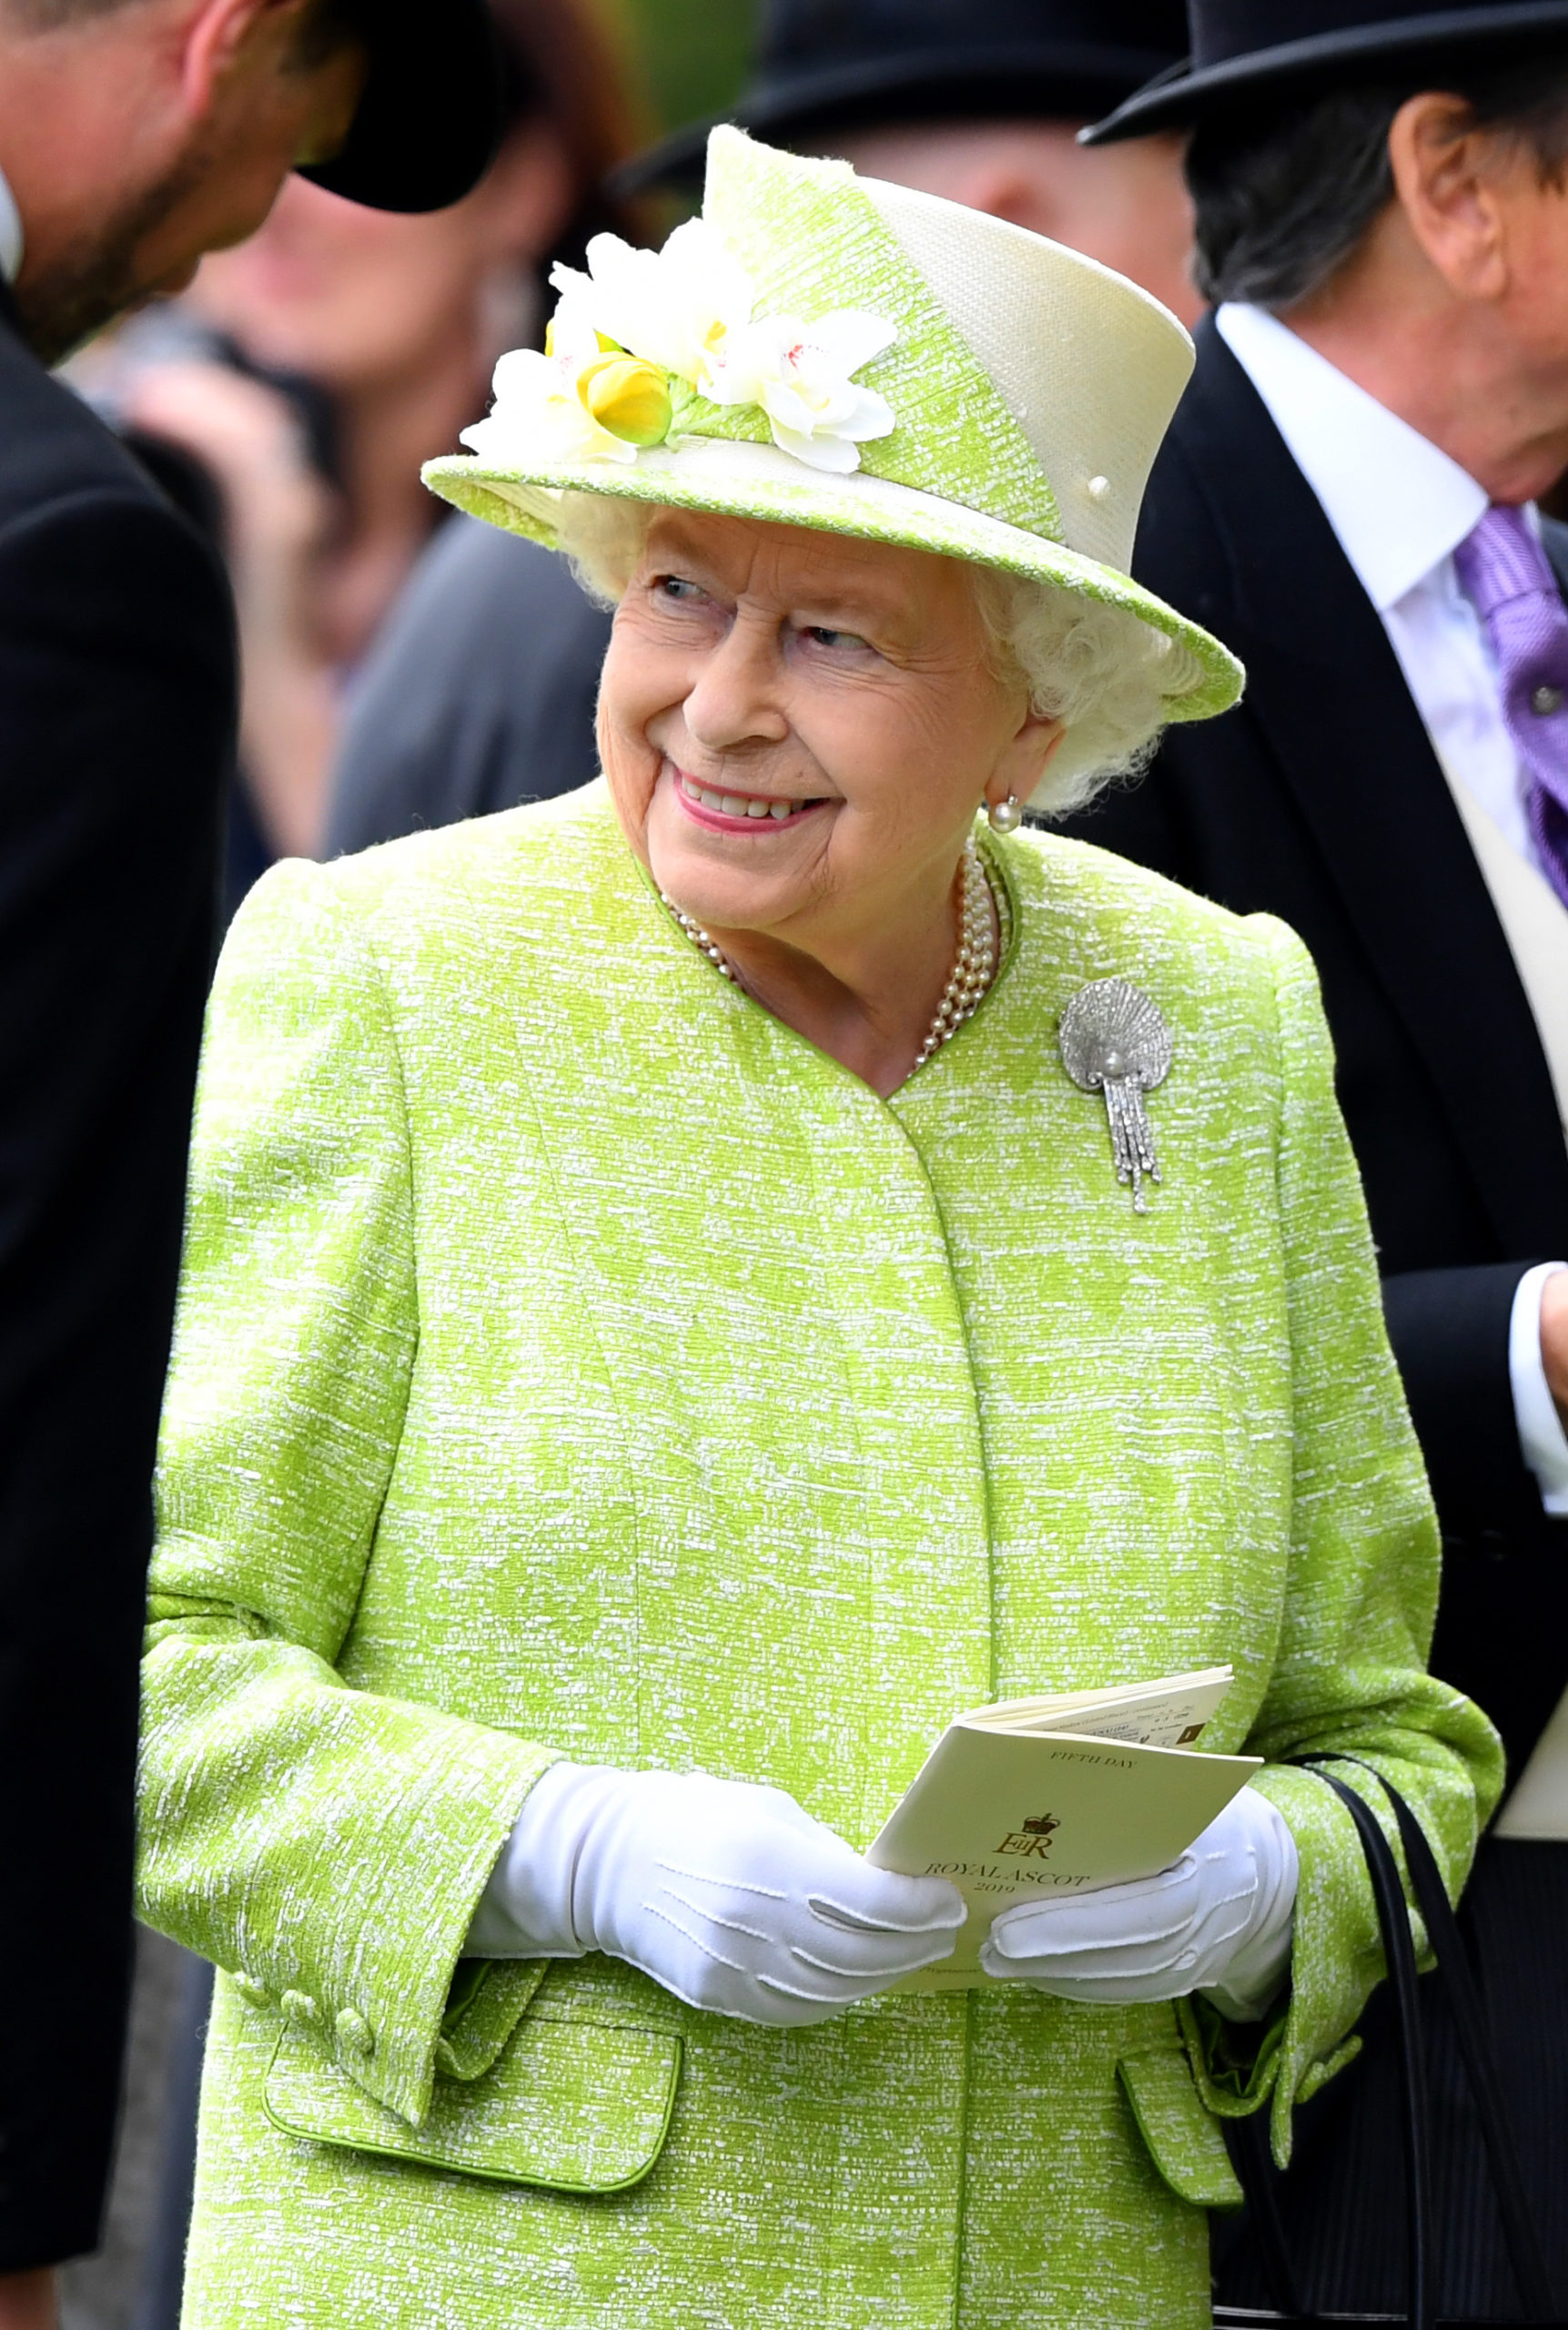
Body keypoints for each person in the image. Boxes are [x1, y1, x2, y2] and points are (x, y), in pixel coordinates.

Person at [137, 126, 1501, 2330]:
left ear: (1038, 713)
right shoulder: (384, 975)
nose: (721, 700)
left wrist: (1265, 1886)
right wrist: (556, 1852)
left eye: (838, 631)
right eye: (679, 587)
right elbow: (138, 1670)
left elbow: (1393, 1740)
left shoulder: (1212, 1019)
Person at [1077, 1, 1568, 2313]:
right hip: (1377, 1902)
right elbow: (1039, 1275)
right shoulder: (1107, 593)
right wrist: (1540, 1344)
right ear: (1457, 183)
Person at [0, 0, 506, 2315]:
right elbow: (29, 1397)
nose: (238, 226)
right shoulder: (55, 550)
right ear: (232, 46)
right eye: (303, 143)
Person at [323, 0, 1199, 858]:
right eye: (1200, 239)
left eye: (831, 636)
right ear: (1015, 232)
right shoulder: (611, 588)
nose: (716, 712)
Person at [90, 0, 642, 886]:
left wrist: (272, 664)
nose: (276, 197)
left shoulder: (609, 575)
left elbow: (455, 1000)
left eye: (343, 137)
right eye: (252, 122)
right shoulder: (99, 497)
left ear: (523, 187)